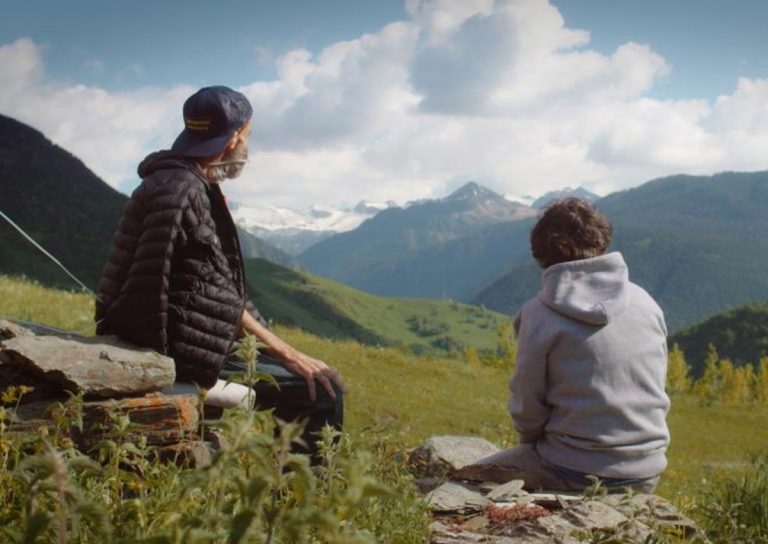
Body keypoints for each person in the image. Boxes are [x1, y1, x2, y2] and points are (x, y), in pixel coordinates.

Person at [95, 86, 345, 459]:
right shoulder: (182, 191)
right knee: (322, 392)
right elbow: (153, 285)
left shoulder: (177, 181)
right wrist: (286, 354)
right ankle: (303, 508)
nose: (247, 145)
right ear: (233, 139)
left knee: (309, 376)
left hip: (188, 337)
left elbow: (217, 286)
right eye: (248, 135)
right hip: (178, 348)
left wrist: (280, 349)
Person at [467, 197, 670, 493]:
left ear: (541, 255)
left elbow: (528, 410)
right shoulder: (645, 302)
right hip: (646, 472)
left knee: (465, 480)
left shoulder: (538, 314)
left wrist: (532, 444)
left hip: (572, 470)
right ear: (601, 241)